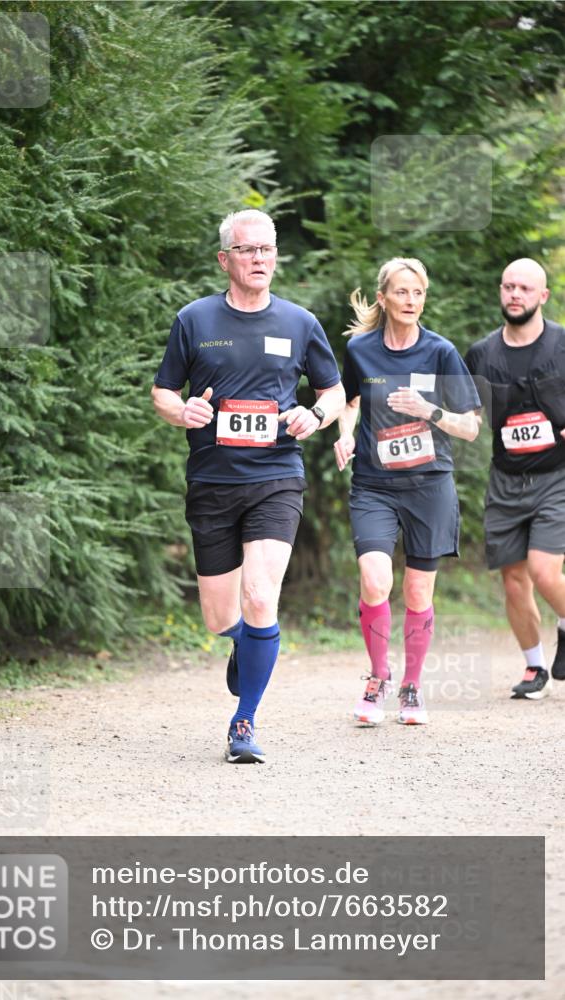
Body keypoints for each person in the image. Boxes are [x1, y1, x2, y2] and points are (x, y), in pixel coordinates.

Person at [151, 209, 344, 762]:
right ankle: (244, 643)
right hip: (211, 480)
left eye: (267, 249)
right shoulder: (194, 320)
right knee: (219, 617)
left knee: (261, 594)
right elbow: (163, 392)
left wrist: (317, 415)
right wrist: (179, 410)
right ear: (225, 259)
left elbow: (332, 392)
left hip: (275, 477)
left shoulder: (300, 323)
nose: (260, 258)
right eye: (248, 250)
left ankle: (243, 723)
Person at [334, 257, 480, 726]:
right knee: (376, 578)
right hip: (375, 484)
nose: (411, 301)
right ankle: (377, 679)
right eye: (401, 292)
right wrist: (344, 433)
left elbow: (472, 427)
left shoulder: (441, 352)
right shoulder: (360, 349)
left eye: (418, 293)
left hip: (428, 485)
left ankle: (411, 687)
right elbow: (349, 401)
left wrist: (429, 411)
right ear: (383, 297)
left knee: (418, 592)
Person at [465, 258, 565, 700]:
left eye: (525, 288)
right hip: (505, 479)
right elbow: (469, 419)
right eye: (508, 287)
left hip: (556, 475)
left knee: (545, 572)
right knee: (514, 579)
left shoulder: (563, 343)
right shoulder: (481, 354)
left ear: (542, 296)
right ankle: (534, 667)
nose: (515, 295)